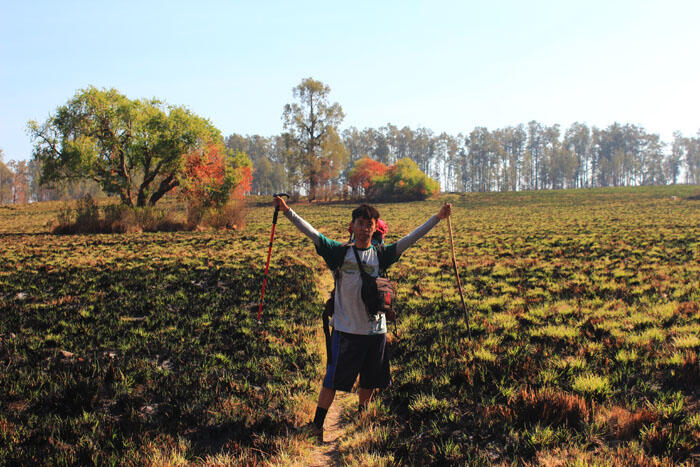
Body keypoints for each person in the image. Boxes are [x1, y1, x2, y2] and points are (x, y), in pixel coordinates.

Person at [272, 196, 452, 442]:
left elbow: (411, 239)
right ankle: (317, 426)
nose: (365, 227)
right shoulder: (339, 253)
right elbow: (313, 234)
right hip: (346, 331)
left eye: (370, 224)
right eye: (361, 223)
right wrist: (287, 211)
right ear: (353, 226)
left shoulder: (382, 254)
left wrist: (437, 218)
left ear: (376, 227)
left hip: (375, 332)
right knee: (332, 380)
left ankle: (361, 421)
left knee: (369, 380)